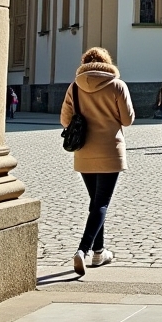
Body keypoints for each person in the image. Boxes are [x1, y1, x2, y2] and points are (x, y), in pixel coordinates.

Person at [61, 45, 135, 275]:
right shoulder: (117, 85)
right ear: (106, 62)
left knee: (95, 202)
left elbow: (65, 120)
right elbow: (128, 119)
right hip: (110, 151)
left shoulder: (75, 87)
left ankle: (99, 252)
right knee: (101, 203)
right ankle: (82, 250)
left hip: (84, 152)